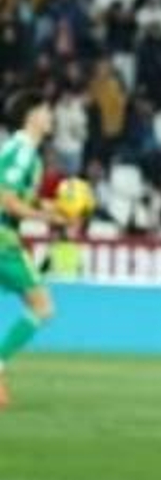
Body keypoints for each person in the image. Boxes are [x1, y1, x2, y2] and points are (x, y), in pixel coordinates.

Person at [0, 90, 66, 409]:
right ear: (31, 116)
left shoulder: (22, 151)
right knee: (42, 306)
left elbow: (17, 198)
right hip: (3, 241)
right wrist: (46, 216)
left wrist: (49, 206)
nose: (50, 116)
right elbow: (6, 200)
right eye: (45, 110)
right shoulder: (24, 152)